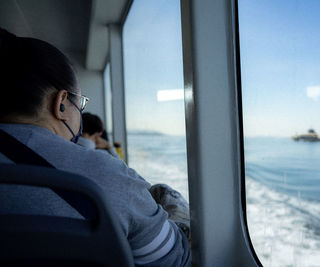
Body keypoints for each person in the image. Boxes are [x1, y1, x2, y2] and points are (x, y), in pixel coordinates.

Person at [0, 28, 190, 266]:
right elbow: (171, 261)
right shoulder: (106, 174)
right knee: (164, 194)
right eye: (78, 103)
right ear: (60, 104)